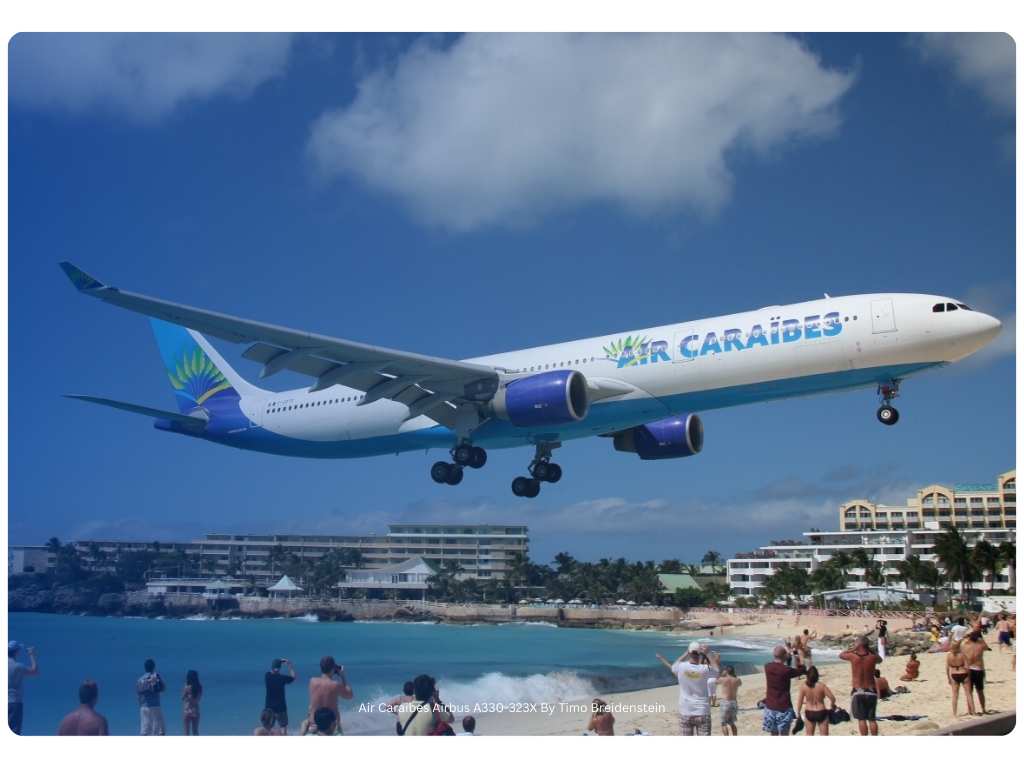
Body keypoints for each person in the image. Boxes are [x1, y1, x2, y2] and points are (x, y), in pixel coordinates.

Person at [656, 641, 721, 737]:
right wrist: (707, 653)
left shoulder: (682, 667)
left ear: (690, 653)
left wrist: (686, 652)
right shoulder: (704, 669)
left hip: (686, 711)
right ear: (700, 653)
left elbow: (673, 666)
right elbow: (717, 671)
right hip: (702, 710)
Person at [839, 636, 881, 736]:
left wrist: (853, 649)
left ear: (858, 645)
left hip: (858, 691)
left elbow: (841, 655)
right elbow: (880, 659)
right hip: (871, 691)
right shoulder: (872, 657)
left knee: (862, 719)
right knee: (872, 719)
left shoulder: (853, 656)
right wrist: (870, 649)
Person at [762, 645, 806, 736]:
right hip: (783, 707)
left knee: (773, 733)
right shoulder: (786, 670)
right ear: (784, 656)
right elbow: (801, 671)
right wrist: (801, 658)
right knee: (784, 733)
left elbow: (776, 664)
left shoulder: (767, 667)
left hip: (770, 706)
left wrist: (786, 656)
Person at [309, 655, 353, 735]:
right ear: (333, 668)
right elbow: (350, 696)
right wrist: (342, 675)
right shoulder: (335, 685)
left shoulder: (312, 681)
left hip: (314, 724)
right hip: (331, 726)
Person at [6, 641, 38, 736]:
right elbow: (34, 672)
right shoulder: (17, 666)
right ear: (17, 652)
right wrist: (32, 656)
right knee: (14, 729)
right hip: (13, 702)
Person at [795, 666, 835, 737]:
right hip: (821, 712)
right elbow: (832, 698)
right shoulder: (821, 686)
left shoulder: (804, 686)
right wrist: (832, 705)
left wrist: (798, 713)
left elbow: (800, 702)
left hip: (809, 712)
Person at [962, 631, 990, 715]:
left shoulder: (965, 646)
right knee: (980, 691)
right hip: (978, 668)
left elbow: (955, 647)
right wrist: (981, 638)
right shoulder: (981, 646)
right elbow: (987, 647)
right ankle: (983, 709)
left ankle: (969, 710)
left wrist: (964, 638)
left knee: (969, 691)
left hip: (969, 669)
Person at [265, 658, 296, 733]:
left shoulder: (267, 676)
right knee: (283, 726)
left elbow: (271, 672)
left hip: (269, 706)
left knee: (268, 726)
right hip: (281, 706)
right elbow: (294, 677)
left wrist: (279, 661)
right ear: (279, 668)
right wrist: (290, 666)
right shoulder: (282, 678)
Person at [137, 658, 166, 736]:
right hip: (154, 706)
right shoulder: (155, 677)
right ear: (153, 667)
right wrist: (159, 678)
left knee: (144, 730)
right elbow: (163, 688)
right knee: (160, 730)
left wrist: (141, 706)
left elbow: (139, 695)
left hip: (143, 707)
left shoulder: (140, 680)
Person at [945, 640, 974, 716]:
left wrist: (948, 678)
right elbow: (967, 667)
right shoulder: (962, 655)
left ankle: (954, 713)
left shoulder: (949, 656)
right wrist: (969, 676)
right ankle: (973, 712)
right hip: (963, 672)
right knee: (969, 694)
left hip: (954, 674)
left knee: (955, 695)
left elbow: (947, 668)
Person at [714, 665, 742, 736]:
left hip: (726, 702)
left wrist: (721, 674)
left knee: (724, 723)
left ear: (726, 671)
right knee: (732, 723)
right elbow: (740, 684)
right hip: (734, 703)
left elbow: (715, 681)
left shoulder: (723, 680)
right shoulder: (737, 680)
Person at [181, 669, 202, 736]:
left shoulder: (187, 687)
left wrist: (187, 694)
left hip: (187, 709)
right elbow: (199, 699)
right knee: (195, 732)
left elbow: (182, 698)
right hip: (196, 709)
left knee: (186, 732)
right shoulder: (199, 687)